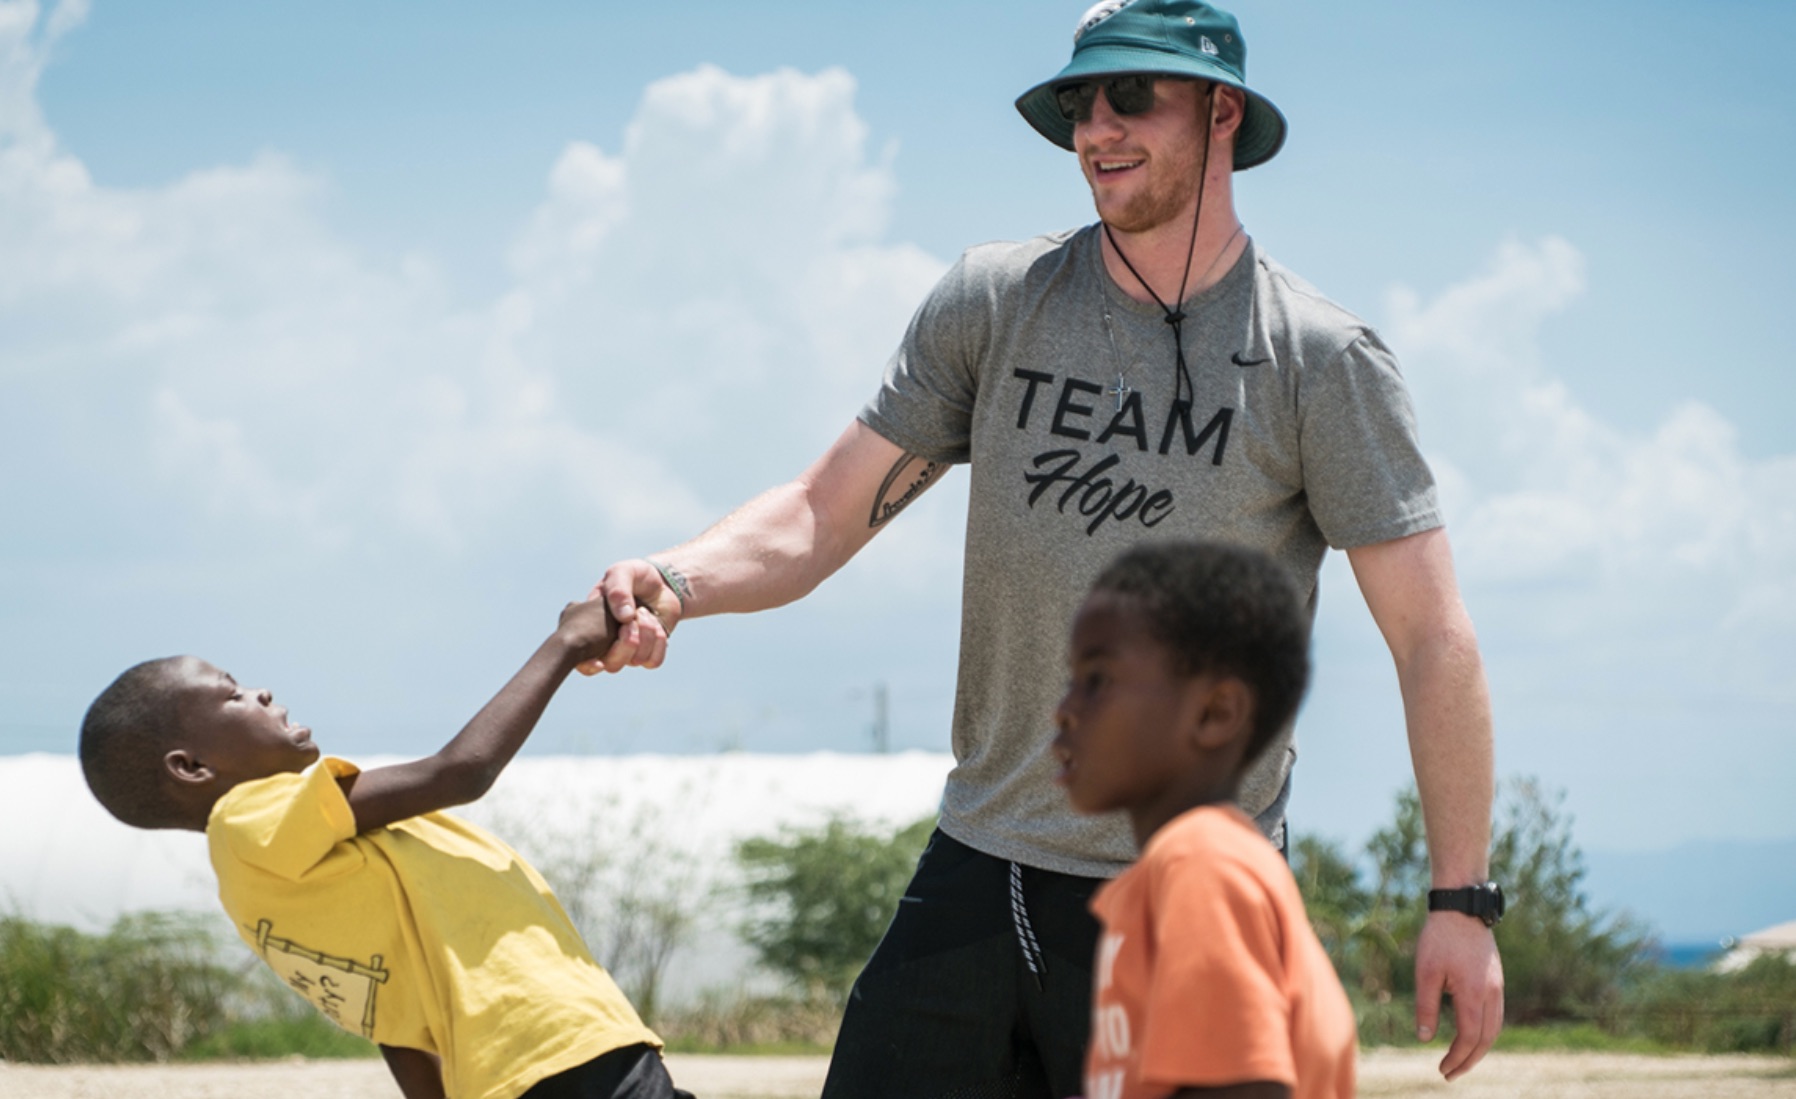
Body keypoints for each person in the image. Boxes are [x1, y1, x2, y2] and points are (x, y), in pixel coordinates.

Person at [590, 0, 1502, 1091]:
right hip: (977, 867)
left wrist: (1460, 901)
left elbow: (1430, 638)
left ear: (1221, 113)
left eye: (1129, 95)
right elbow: (819, 512)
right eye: (1078, 102)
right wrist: (676, 583)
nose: (1096, 129)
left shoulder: (1316, 359)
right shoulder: (996, 300)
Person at [78, 600, 693, 1099]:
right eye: (231, 694)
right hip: (558, 1046)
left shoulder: (263, 878)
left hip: (515, 1075)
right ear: (191, 768)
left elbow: (391, 1018)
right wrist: (566, 644)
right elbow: (460, 771)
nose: (261, 692)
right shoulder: (250, 818)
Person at [1054, 540, 1355, 1099]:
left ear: (1215, 713)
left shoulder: (1201, 867)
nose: (1064, 707)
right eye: (1072, 678)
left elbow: (1245, 1088)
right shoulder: (1179, 870)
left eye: (1097, 680)